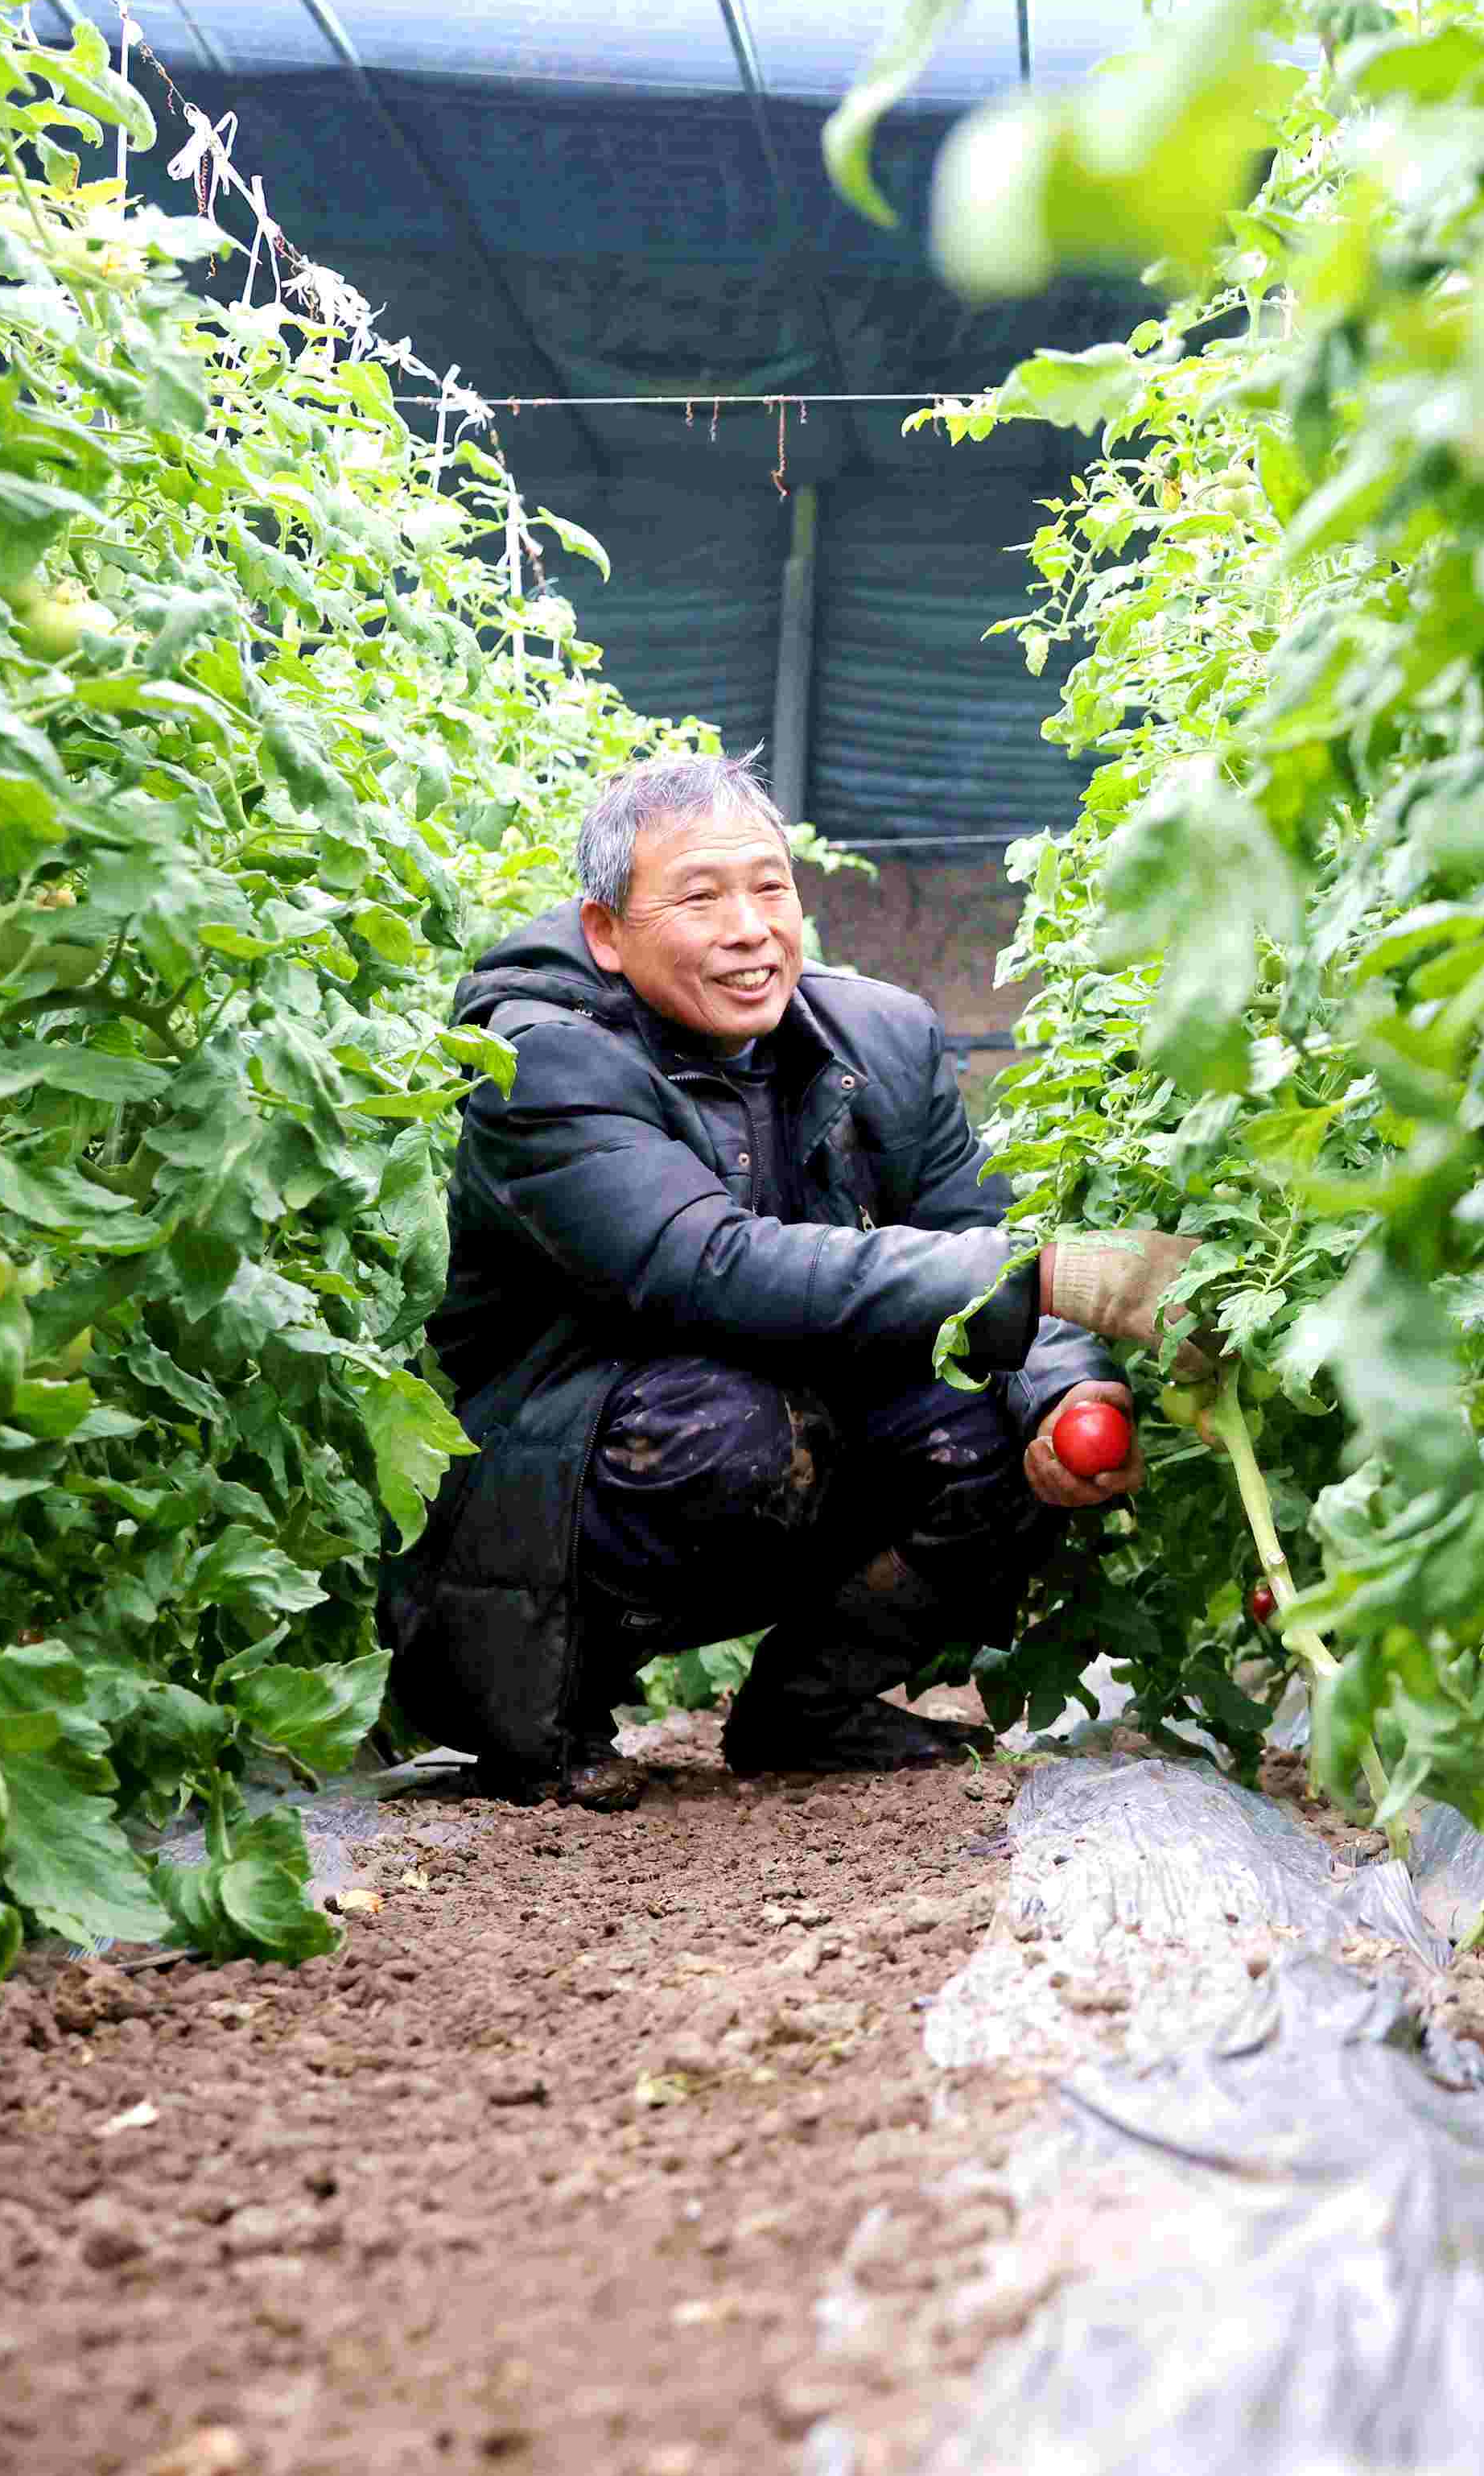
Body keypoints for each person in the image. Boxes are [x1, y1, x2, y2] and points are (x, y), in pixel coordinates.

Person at [381, 751, 1194, 1795]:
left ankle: (812, 1707)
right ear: (605, 934)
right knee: (726, 1429)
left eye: (770, 887)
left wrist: (1066, 1393)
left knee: (991, 1408)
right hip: (556, 1485)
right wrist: (1040, 1276)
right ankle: (549, 1707)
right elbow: (707, 1266)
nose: (750, 927)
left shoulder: (883, 1040)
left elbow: (973, 1227)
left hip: (766, 1418)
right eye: (701, 897)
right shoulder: (539, 1063)